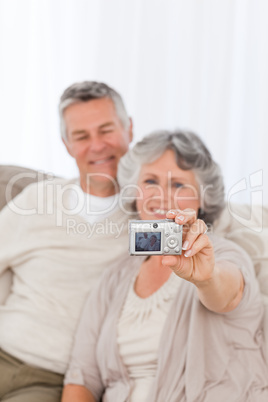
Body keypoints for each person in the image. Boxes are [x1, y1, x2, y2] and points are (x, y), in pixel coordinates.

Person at [62, 130, 268, 402]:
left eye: (179, 185)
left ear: (203, 200)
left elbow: (228, 294)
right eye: (150, 181)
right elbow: (82, 377)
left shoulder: (223, 253)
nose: (161, 196)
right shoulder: (115, 276)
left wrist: (207, 279)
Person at [0, 81, 133, 401]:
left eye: (106, 130)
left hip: (50, 377)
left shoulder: (148, 216)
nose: (97, 146)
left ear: (129, 128)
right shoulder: (35, 200)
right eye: (81, 136)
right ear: (66, 144)